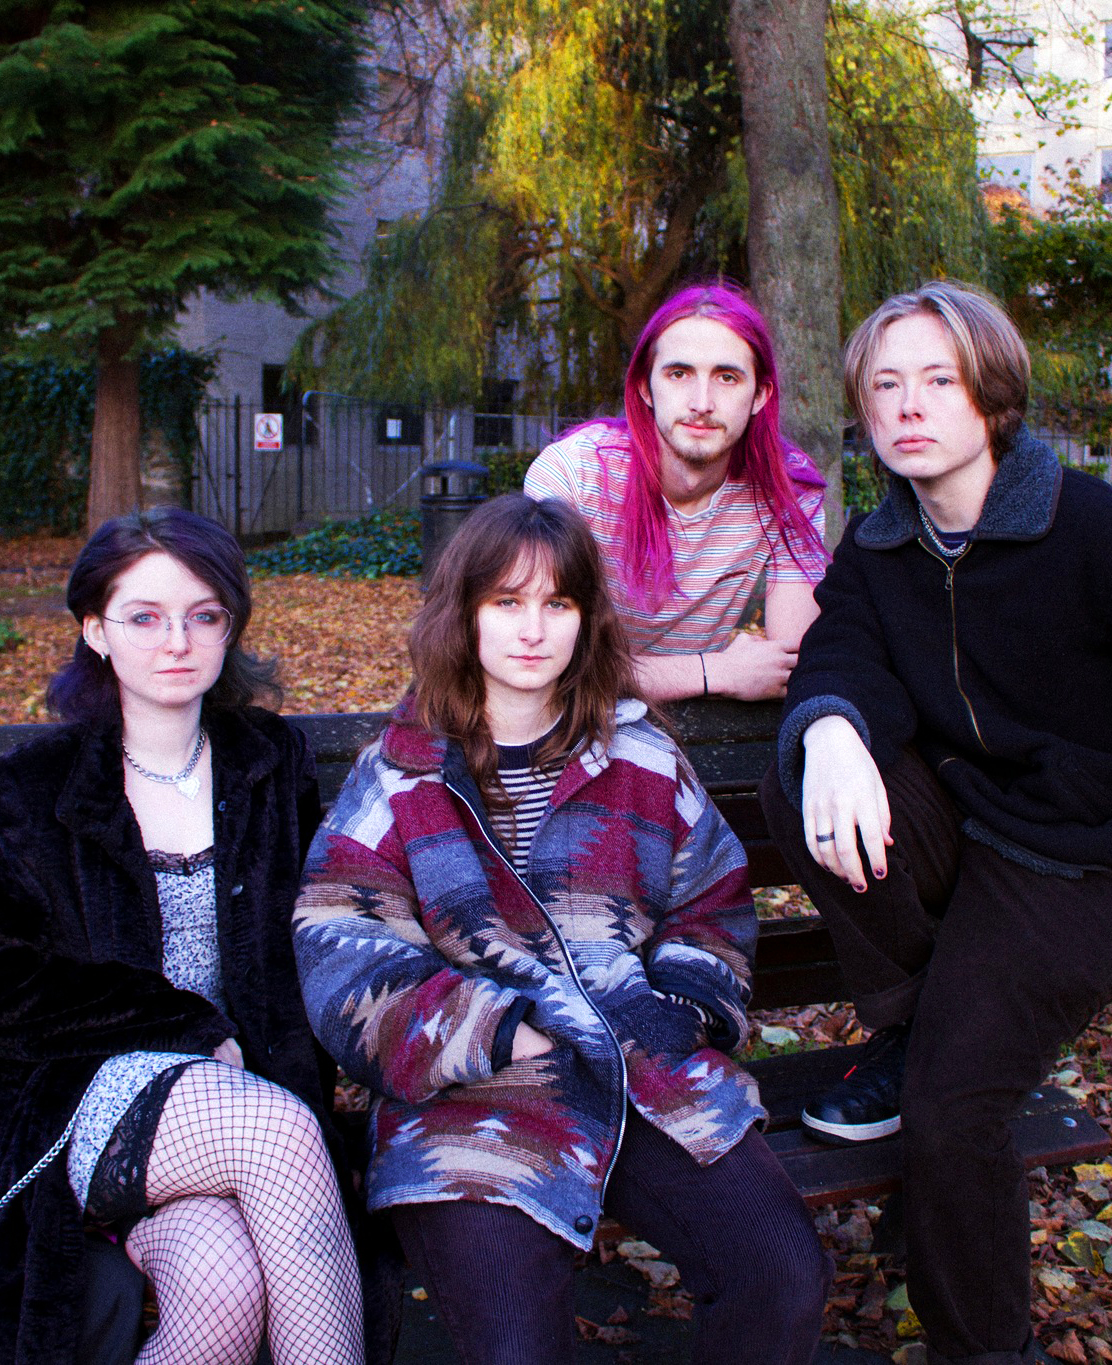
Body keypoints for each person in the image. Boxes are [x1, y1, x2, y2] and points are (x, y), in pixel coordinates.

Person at [294, 493, 831, 1365]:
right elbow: (342, 946)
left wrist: (682, 1005)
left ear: (588, 619)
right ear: (463, 614)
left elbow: (712, 900)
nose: (533, 628)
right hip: (471, 1098)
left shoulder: (640, 758)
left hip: (642, 1068)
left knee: (781, 1277)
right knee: (517, 1349)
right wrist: (501, 1029)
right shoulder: (399, 777)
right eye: (506, 601)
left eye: (559, 602)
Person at [760, 281, 1112, 1365]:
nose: (907, 406)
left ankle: (984, 1351)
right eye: (884, 385)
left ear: (992, 395)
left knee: (950, 1109)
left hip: (1074, 862)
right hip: (962, 825)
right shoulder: (880, 546)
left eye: (938, 380)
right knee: (801, 775)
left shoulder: (1088, 528)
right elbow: (838, 652)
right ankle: (921, 1018)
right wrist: (830, 732)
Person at [0, 508, 366, 1365]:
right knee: (278, 1133)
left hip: (239, 1103)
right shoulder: (33, 787)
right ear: (95, 628)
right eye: (144, 616)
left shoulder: (268, 759)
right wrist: (188, 1028)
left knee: (220, 1285)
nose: (177, 641)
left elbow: (320, 928)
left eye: (204, 615)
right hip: (78, 1097)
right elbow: (12, 982)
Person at [524, 280, 827, 702]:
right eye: (679, 374)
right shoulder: (573, 476)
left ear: (760, 395)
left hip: (689, 725)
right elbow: (537, 655)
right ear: (645, 387)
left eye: (727, 377)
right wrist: (715, 670)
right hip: (564, 720)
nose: (701, 403)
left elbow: (792, 663)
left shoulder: (788, 489)